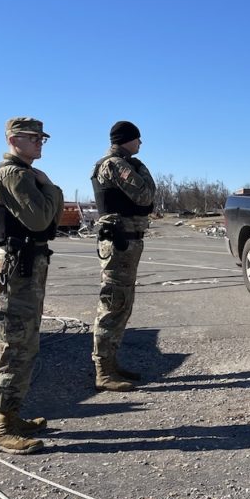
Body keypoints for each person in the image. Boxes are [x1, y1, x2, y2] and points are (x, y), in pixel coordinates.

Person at [0, 117, 64, 454]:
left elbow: (49, 219)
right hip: (16, 272)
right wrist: (50, 187)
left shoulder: (25, 174)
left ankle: (11, 416)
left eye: (41, 138)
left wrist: (48, 190)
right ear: (13, 139)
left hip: (26, 269)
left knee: (25, 344)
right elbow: (40, 219)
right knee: (15, 346)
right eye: (33, 138)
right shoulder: (14, 175)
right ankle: (2, 428)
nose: (39, 143)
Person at [90, 120, 156, 392]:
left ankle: (111, 364)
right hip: (119, 242)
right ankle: (103, 371)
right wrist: (142, 170)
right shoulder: (116, 164)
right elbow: (144, 196)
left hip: (127, 241)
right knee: (114, 303)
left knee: (122, 303)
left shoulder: (124, 163)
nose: (140, 143)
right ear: (125, 139)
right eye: (137, 139)